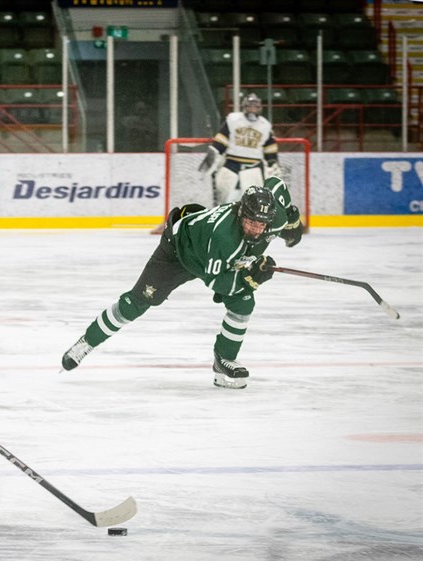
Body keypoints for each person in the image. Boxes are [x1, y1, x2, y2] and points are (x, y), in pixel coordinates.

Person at [61, 176, 303, 389]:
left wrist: (292, 223)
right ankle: (87, 341)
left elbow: (276, 184)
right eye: (251, 222)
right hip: (177, 251)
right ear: (240, 213)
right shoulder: (223, 238)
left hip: (210, 253)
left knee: (243, 304)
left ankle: (224, 360)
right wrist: (251, 279)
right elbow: (219, 283)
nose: (256, 229)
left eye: (262, 224)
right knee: (137, 302)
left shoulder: (273, 217)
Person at [198, 93, 281, 206]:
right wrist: (213, 153)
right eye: (249, 106)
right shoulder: (233, 120)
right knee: (222, 195)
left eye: (255, 107)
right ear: (244, 107)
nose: (252, 109)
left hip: (253, 167)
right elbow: (221, 141)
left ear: (259, 108)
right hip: (231, 164)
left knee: (254, 202)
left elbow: (270, 149)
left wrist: (272, 162)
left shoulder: (265, 125)